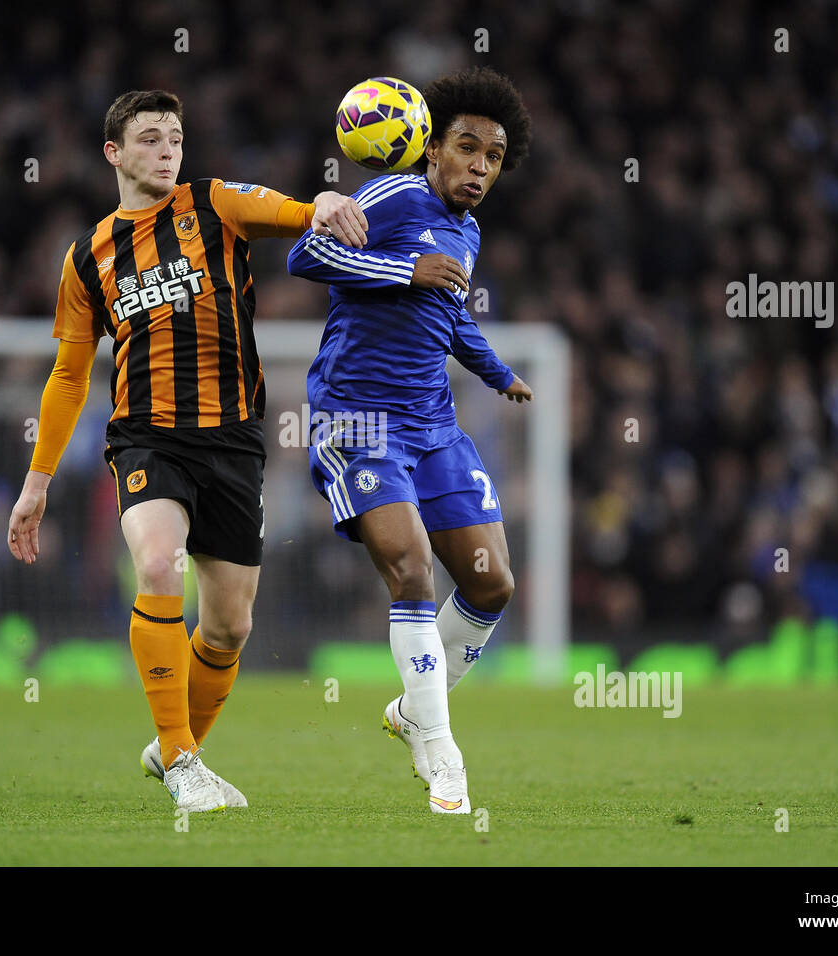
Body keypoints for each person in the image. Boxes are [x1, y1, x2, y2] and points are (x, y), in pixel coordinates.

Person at [7, 89, 367, 812]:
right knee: (159, 563)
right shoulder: (88, 256)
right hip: (146, 439)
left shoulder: (214, 204)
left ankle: (178, 748)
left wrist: (321, 204)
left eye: (174, 136)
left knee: (230, 625)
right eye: (149, 138)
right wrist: (36, 482)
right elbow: (70, 375)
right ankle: (179, 761)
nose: (167, 149)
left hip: (234, 442)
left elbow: (288, 212)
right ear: (114, 153)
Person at [287, 67, 533, 814]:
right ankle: (441, 748)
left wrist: (498, 372)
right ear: (431, 149)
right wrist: (403, 268)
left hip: (432, 427)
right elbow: (307, 256)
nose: (479, 168)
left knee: (492, 583)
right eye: (467, 148)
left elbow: (450, 313)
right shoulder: (394, 195)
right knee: (412, 567)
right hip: (356, 419)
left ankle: (412, 711)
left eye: (492, 158)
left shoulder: (469, 230)